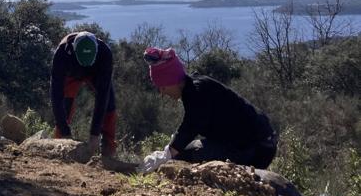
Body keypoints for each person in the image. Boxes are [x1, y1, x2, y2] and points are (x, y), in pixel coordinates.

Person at [138, 47, 277, 173]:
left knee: (186, 158)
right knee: (185, 152)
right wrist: (169, 152)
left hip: (256, 148)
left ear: (173, 80)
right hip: (250, 142)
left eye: (163, 86)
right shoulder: (194, 88)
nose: (162, 93)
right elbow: (188, 128)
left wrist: (166, 155)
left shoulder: (197, 92)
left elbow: (190, 127)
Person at [50, 31, 117, 157]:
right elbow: (56, 95)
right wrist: (65, 132)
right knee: (65, 106)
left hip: (95, 73)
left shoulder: (105, 53)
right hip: (71, 73)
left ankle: (108, 150)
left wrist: (94, 135)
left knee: (109, 104)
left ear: (96, 50)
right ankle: (59, 144)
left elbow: (102, 96)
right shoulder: (62, 53)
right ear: (74, 50)